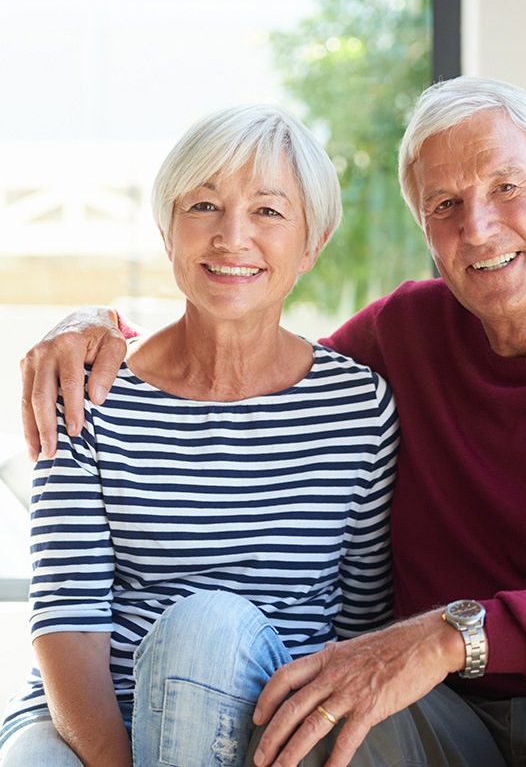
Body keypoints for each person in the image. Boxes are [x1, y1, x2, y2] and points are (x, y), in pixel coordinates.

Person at [16, 75, 526, 767]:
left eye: (507, 188)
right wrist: (85, 325)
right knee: (335, 710)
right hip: (441, 709)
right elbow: (252, 363)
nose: (478, 227)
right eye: (445, 204)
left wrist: (454, 635)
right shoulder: (403, 335)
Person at [0, 104, 400, 766]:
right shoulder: (89, 387)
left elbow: (359, 626)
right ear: (166, 231)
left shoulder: (356, 407)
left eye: (268, 211)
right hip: (91, 720)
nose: (231, 237)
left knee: (205, 629)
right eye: (204, 206)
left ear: (312, 243)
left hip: (270, 724)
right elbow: (65, 620)